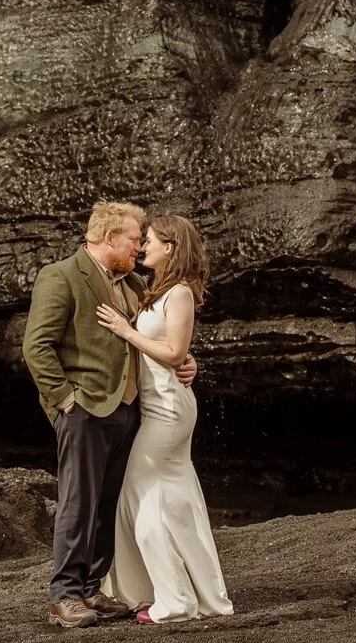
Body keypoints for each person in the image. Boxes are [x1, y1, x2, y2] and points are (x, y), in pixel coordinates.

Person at [22, 201, 198, 628]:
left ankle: (90, 589)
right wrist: (65, 401)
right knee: (78, 503)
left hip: (130, 412)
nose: (140, 246)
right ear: (108, 238)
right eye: (135, 239)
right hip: (84, 410)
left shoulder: (135, 283)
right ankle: (64, 596)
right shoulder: (60, 275)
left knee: (109, 504)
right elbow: (36, 347)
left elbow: (153, 339)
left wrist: (188, 361)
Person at [96, 214, 234, 624]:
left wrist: (126, 330)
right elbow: (174, 353)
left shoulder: (181, 294)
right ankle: (201, 596)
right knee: (175, 501)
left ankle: (174, 601)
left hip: (169, 410)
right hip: (158, 405)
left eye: (150, 240)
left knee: (141, 502)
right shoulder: (155, 290)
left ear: (170, 247)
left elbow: (174, 353)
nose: (142, 247)